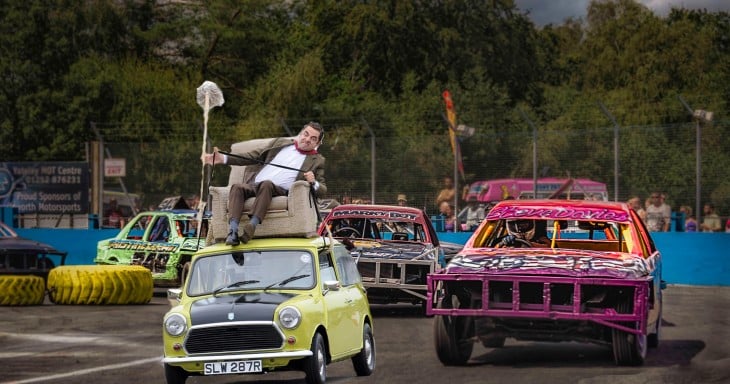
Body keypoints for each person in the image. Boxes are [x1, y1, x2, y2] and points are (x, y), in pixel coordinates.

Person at [203, 122, 327, 245]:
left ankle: (251, 226)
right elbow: (252, 156)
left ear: (317, 143)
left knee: (267, 184)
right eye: (306, 134)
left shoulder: (317, 160)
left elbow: (322, 190)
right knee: (237, 187)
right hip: (255, 185)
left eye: (313, 138)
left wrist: (313, 181)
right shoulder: (279, 143)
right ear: (301, 133)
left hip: (280, 190)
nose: (307, 139)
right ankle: (233, 232)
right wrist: (224, 159)